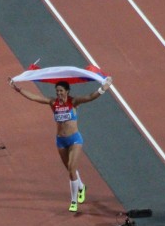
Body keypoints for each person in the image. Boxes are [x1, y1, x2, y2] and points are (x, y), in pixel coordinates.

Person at [8, 75, 113, 212]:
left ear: (67, 91)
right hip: (61, 141)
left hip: (74, 139)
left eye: (61, 91)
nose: (58, 93)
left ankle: (74, 201)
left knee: (71, 168)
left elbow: (89, 97)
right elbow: (34, 97)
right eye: (57, 91)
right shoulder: (53, 103)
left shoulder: (73, 102)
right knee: (70, 170)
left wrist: (102, 89)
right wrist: (17, 88)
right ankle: (81, 187)